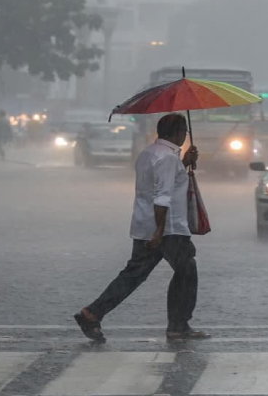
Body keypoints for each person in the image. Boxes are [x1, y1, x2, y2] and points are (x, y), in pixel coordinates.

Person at [74, 113, 207, 343]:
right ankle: (178, 325)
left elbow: (159, 183)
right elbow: (162, 196)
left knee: (133, 275)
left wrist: (183, 163)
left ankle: (93, 313)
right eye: (184, 132)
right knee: (186, 271)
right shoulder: (167, 158)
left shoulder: (149, 153)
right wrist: (159, 232)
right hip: (168, 229)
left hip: (145, 225)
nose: (185, 136)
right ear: (179, 133)